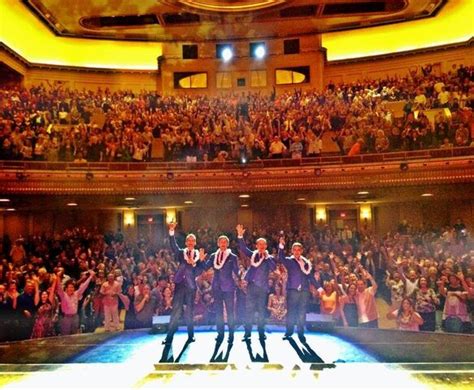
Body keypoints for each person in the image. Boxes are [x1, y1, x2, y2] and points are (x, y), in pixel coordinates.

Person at [162, 222, 206, 345]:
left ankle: (191, 336)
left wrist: (201, 262)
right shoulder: (181, 253)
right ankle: (169, 337)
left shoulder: (199, 255)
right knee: (176, 311)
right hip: (180, 285)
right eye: (189, 241)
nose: (191, 242)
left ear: (195, 243)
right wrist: (171, 231)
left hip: (191, 286)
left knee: (190, 312)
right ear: (186, 243)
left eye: (193, 241)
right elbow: (173, 245)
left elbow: (199, 271)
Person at [237, 224, 276, 342]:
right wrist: (240, 235)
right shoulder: (253, 255)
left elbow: (273, 268)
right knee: (248, 310)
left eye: (264, 244)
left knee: (261, 311)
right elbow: (243, 248)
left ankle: (261, 333)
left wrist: (267, 257)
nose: (262, 246)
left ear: (266, 246)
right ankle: (247, 333)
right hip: (251, 286)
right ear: (257, 246)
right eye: (260, 244)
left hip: (263, 288)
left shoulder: (269, 258)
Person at [277, 237, 319, 342]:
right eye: (294, 250)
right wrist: (281, 246)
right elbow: (281, 258)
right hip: (292, 290)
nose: (296, 252)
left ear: (301, 251)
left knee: (302, 312)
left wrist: (319, 287)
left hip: (304, 291)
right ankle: (289, 331)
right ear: (292, 251)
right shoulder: (289, 261)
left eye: (298, 250)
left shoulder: (306, 263)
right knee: (291, 312)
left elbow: (310, 276)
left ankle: (301, 332)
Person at [204, 235, 239, 343]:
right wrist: (201, 259)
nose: (223, 244)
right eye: (221, 242)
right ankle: (220, 334)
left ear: (227, 244)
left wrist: (241, 275)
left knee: (230, 312)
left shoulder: (232, 256)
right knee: (218, 312)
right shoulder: (213, 256)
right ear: (218, 244)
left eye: (225, 242)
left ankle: (231, 334)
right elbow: (205, 267)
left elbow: (236, 271)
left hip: (228, 287)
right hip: (217, 287)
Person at [55, 271, 95, 335]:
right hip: (66, 318)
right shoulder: (63, 295)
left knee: (74, 335)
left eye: (72, 287)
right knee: (65, 336)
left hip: (75, 317)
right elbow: (59, 287)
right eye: (69, 287)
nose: (71, 289)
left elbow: (84, 286)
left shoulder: (76, 294)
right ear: (66, 288)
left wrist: (90, 277)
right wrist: (58, 277)